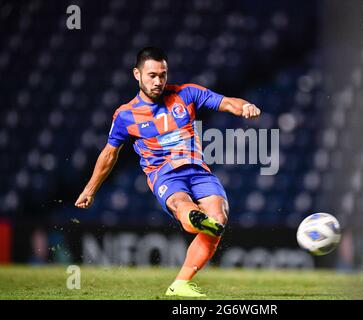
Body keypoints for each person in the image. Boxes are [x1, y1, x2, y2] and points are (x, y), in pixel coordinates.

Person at [75, 46, 261, 297]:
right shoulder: (125, 115)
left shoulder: (186, 93)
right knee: (180, 203)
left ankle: (180, 284)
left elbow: (226, 102)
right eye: (152, 75)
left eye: (162, 75)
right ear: (136, 74)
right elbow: (110, 154)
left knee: (219, 219)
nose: (158, 81)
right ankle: (193, 218)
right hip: (164, 174)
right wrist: (90, 189)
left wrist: (245, 106)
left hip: (197, 169)